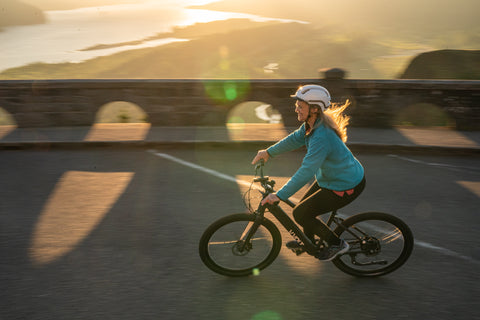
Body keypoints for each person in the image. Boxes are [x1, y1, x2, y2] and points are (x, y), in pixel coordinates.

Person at [251, 84, 366, 261]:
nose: (296, 108)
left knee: (301, 213)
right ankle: (308, 241)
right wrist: (268, 152)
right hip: (330, 179)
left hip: (345, 184)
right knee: (303, 209)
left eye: (300, 106)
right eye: (297, 104)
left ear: (314, 109)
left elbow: (307, 170)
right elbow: (295, 139)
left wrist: (280, 195)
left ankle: (337, 244)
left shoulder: (322, 136)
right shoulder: (311, 125)